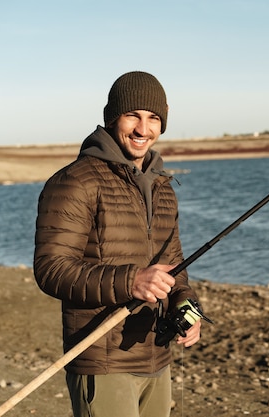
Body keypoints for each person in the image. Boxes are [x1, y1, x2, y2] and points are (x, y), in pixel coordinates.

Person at [34, 71, 203, 417]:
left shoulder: (163, 188)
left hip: (156, 355)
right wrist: (132, 280)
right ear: (112, 117)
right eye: (133, 116)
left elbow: (174, 267)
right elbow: (50, 270)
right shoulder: (75, 181)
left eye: (154, 118)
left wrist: (187, 307)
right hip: (102, 361)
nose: (143, 129)